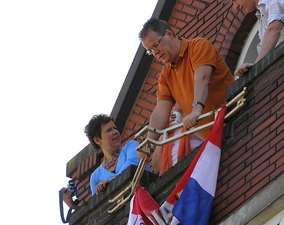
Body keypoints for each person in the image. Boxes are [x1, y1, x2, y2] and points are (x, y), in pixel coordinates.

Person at [138, 18, 234, 169]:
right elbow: (160, 111)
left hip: (233, 120)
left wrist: (196, 110)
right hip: (212, 138)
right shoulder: (165, 76)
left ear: (169, 34)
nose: (155, 53)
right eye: (150, 51)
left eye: (156, 45)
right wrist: (150, 142)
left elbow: (202, 78)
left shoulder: (198, 46)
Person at [85, 114, 146, 195]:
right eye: (109, 130)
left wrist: (110, 182)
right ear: (97, 140)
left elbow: (132, 166)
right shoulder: (95, 177)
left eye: (115, 128)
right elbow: (99, 203)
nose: (115, 132)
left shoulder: (131, 146)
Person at [158, 104, 204, 175]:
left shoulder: (198, 120)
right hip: (173, 176)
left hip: (196, 167)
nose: (171, 106)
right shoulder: (167, 131)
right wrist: (164, 133)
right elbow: (156, 167)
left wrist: (180, 126)